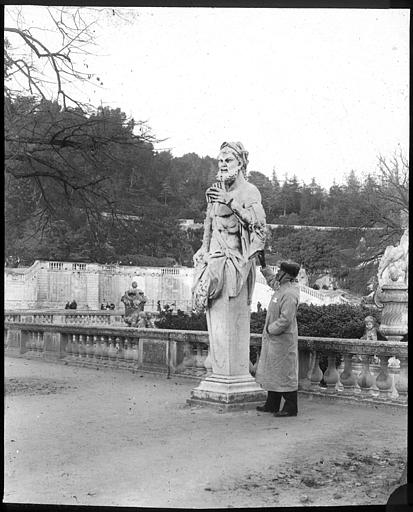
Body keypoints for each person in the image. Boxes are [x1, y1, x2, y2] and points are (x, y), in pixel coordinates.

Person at [192, 141, 266, 376]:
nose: (223, 165)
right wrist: (203, 248)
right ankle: (220, 373)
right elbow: (209, 222)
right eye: (220, 161)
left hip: (236, 261)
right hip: (214, 258)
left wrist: (229, 201)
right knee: (212, 315)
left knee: (229, 320)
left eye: (228, 160)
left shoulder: (249, 191)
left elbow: (259, 226)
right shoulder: (215, 190)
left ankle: (231, 375)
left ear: (241, 163)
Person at [255, 252, 301, 417]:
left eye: (280, 272)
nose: (277, 274)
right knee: (274, 372)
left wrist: (270, 329)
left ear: (287, 275)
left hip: (282, 340)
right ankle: (272, 404)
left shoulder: (289, 293)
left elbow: (285, 320)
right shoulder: (282, 288)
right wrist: (264, 266)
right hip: (275, 340)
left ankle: (290, 407)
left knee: (284, 373)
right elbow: (271, 280)